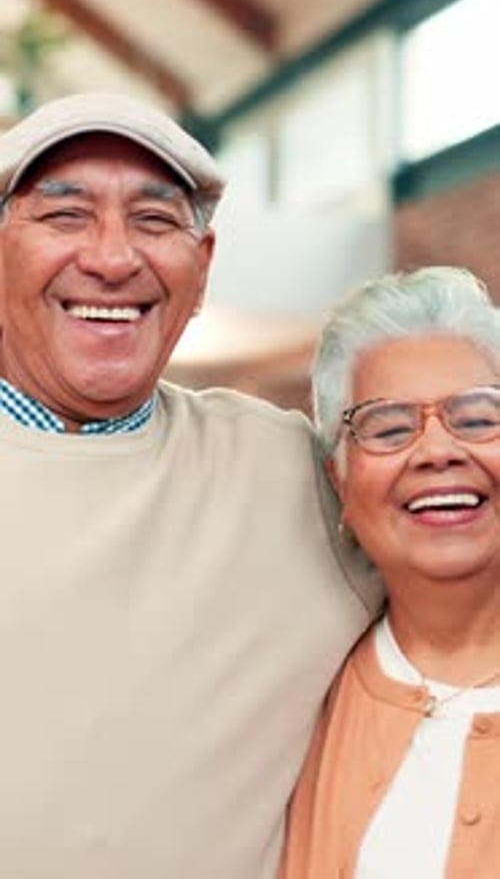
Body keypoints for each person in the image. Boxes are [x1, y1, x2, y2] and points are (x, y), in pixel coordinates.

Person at [0, 91, 383, 878]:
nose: (112, 258)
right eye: (65, 216)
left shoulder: (293, 472)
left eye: (154, 219)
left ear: (201, 271)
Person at [279, 266, 500, 879]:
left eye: (478, 418)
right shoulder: (298, 704)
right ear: (339, 481)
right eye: (389, 427)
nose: (436, 451)